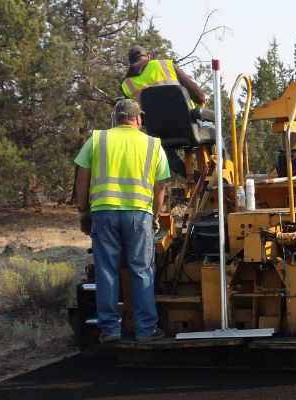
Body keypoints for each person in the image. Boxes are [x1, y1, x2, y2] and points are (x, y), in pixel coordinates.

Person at [75, 99, 170, 343]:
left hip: (104, 213)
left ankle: (110, 329)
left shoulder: (97, 140)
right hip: (139, 214)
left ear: (114, 119)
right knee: (142, 271)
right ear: (138, 119)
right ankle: (146, 331)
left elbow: (82, 178)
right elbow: (160, 186)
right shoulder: (153, 144)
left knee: (106, 271)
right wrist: (155, 216)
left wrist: (84, 209)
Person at [122, 45, 207, 106]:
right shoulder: (165, 65)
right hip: (187, 122)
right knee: (209, 127)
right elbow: (196, 93)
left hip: (155, 128)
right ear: (148, 56)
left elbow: (132, 112)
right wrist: (201, 99)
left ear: (130, 62)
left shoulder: (127, 84)